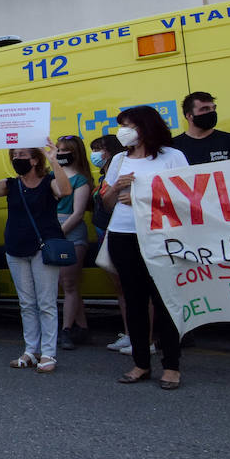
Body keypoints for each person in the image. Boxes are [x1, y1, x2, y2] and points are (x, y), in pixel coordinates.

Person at [171, 91, 230, 354]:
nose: (210, 112)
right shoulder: (173, 147)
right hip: (189, 223)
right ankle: (185, 328)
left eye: (212, 107)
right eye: (203, 109)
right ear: (189, 116)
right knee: (187, 276)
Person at [103, 105, 189, 389]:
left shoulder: (171, 156)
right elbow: (105, 203)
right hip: (122, 234)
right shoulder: (118, 159)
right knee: (134, 302)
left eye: (129, 125)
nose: (123, 131)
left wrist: (144, 196)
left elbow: (186, 198)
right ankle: (141, 363)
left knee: (164, 301)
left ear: (146, 126)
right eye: (121, 125)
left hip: (159, 236)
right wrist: (116, 189)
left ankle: (171, 366)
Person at [0, 138, 71, 373]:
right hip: (15, 249)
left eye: (22, 155)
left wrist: (54, 162)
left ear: (35, 159)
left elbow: (66, 191)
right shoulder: (11, 185)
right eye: (15, 155)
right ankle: (31, 350)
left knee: (45, 302)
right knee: (26, 303)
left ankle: (48, 353)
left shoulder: (49, 182)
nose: (17, 159)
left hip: (42, 248)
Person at [89, 135, 134, 353]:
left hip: (118, 231)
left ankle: (139, 335)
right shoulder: (106, 175)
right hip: (104, 232)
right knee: (120, 288)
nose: (95, 154)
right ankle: (128, 332)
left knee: (130, 287)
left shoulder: (123, 170)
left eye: (99, 149)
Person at [53, 135, 94, 351]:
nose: (60, 154)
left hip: (70, 233)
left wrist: (58, 233)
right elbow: (56, 192)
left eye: (64, 150)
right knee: (66, 283)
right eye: (58, 150)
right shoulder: (52, 175)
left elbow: (77, 213)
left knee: (68, 283)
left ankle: (67, 329)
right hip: (56, 231)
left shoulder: (81, 180)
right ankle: (82, 327)